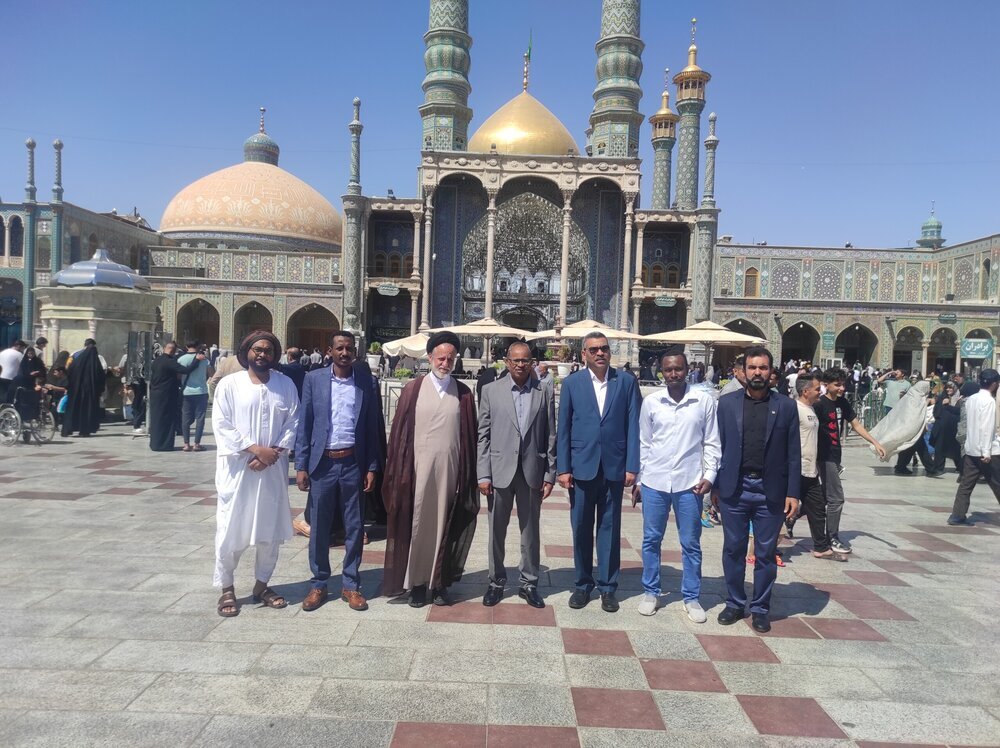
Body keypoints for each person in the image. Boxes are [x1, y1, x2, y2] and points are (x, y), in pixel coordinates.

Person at [382, 331, 479, 607]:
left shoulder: (463, 393)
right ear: (430, 357)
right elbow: (399, 434)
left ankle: (438, 583)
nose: (445, 362)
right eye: (440, 357)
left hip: (450, 473)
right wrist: (399, 471)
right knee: (417, 525)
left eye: (450, 358)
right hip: (417, 472)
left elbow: (469, 437)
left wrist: (468, 475)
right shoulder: (413, 389)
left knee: (444, 526)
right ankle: (416, 583)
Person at [712, 346, 800, 633]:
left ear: (771, 372)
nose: (757, 373)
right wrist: (713, 485)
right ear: (743, 372)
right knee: (734, 549)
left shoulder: (785, 406)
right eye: (752, 368)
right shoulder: (727, 404)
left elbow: (793, 453)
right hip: (734, 488)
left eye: (763, 368)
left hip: (769, 489)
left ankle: (761, 607)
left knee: (765, 552)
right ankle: (735, 603)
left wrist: (793, 492)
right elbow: (716, 446)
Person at [212, 331, 299, 617]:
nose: (262, 354)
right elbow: (222, 424)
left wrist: (271, 453)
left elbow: (293, 422)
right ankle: (227, 587)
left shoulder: (285, 385)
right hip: (239, 471)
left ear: (276, 355)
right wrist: (254, 449)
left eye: (268, 350)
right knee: (230, 529)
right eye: (257, 350)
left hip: (272, 470)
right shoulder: (229, 385)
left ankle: (262, 585)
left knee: (269, 532)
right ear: (247, 351)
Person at [295, 331, 383, 612]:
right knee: (319, 526)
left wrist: (371, 466)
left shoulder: (366, 383)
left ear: (355, 352)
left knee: (355, 527)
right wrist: (301, 465)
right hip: (323, 464)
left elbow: (371, 428)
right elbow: (304, 424)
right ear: (329, 351)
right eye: (340, 348)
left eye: (349, 349)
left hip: (352, 464)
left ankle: (350, 584)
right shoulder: (314, 380)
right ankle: (319, 583)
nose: (345, 353)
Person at [557, 331, 641, 613]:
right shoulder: (572, 384)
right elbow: (564, 428)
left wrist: (632, 465)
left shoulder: (626, 382)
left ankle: (607, 587)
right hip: (582, 467)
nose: (600, 353)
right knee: (580, 527)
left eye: (604, 348)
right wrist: (563, 468)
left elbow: (633, 426)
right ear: (584, 354)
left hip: (614, 467)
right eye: (593, 350)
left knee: (609, 528)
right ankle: (582, 584)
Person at [635, 350, 720, 620]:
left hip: (689, 482)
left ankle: (692, 596)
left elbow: (711, 442)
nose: (674, 374)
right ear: (662, 371)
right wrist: (639, 478)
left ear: (688, 370)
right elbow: (644, 443)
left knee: (691, 542)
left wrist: (710, 475)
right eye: (668, 369)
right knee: (651, 539)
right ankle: (651, 591)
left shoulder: (703, 401)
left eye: (679, 369)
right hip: (655, 481)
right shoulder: (652, 402)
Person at [477, 341, 556, 609]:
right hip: (499, 471)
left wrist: (549, 474)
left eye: (526, 360)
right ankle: (496, 581)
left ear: (532, 362)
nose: (521, 365)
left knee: (530, 530)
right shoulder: (491, 391)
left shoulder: (543, 391)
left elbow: (551, 435)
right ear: (507, 362)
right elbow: (483, 436)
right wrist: (483, 474)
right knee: (496, 531)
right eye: (516, 360)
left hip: (532, 470)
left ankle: (529, 583)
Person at [815, 368, 887, 554]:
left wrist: (875, 442)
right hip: (823, 456)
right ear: (826, 385)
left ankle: (791, 518)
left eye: (842, 384)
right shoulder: (819, 404)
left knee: (823, 496)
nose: (841, 388)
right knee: (836, 498)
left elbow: (855, 424)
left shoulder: (843, 403)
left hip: (836, 454)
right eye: (837, 384)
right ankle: (832, 537)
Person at [789, 374, 847, 561]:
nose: (819, 392)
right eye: (816, 389)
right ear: (805, 391)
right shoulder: (794, 409)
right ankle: (764, 546)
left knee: (817, 507)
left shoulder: (812, 409)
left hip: (811, 468)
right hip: (797, 468)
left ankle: (821, 547)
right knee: (785, 509)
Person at [947, 369, 1000, 526]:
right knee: (997, 483)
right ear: (994, 384)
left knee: (966, 484)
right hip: (987, 450)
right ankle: (957, 515)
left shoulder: (971, 399)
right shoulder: (989, 401)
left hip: (971, 448)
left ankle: (957, 515)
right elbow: (987, 427)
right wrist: (986, 452)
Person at [148, 342, 206, 451]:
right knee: (167, 420)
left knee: (156, 419)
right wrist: (196, 360)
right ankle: (164, 445)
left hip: (155, 394)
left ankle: (155, 444)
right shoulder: (170, 362)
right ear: (173, 351)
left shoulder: (156, 361)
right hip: (167, 395)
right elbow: (186, 370)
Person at [60, 340, 106, 438]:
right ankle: (85, 430)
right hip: (90, 392)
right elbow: (101, 377)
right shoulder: (95, 364)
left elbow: (69, 373)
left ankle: (68, 430)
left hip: (76, 391)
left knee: (73, 409)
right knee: (87, 410)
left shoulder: (77, 360)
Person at [178, 341, 212, 452]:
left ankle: (186, 444)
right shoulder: (204, 360)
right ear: (198, 347)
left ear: (187, 347)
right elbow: (211, 373)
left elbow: (178, 376)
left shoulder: (181, 359)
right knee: (200, 418)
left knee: (185, 418)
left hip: (186, 392)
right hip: (201, 392)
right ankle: (197, 444)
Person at [929, 381, 962, 476]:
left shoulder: (961, 398)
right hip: (942, 427)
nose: (948, 389)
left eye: (950, 387)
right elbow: (936, 412)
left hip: (955, 428)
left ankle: (960, 467)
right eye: (947, 387)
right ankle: (938, 468)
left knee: (956, 448)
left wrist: (949, 406)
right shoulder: (942, 398)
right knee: (940, 447)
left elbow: (961, 412)